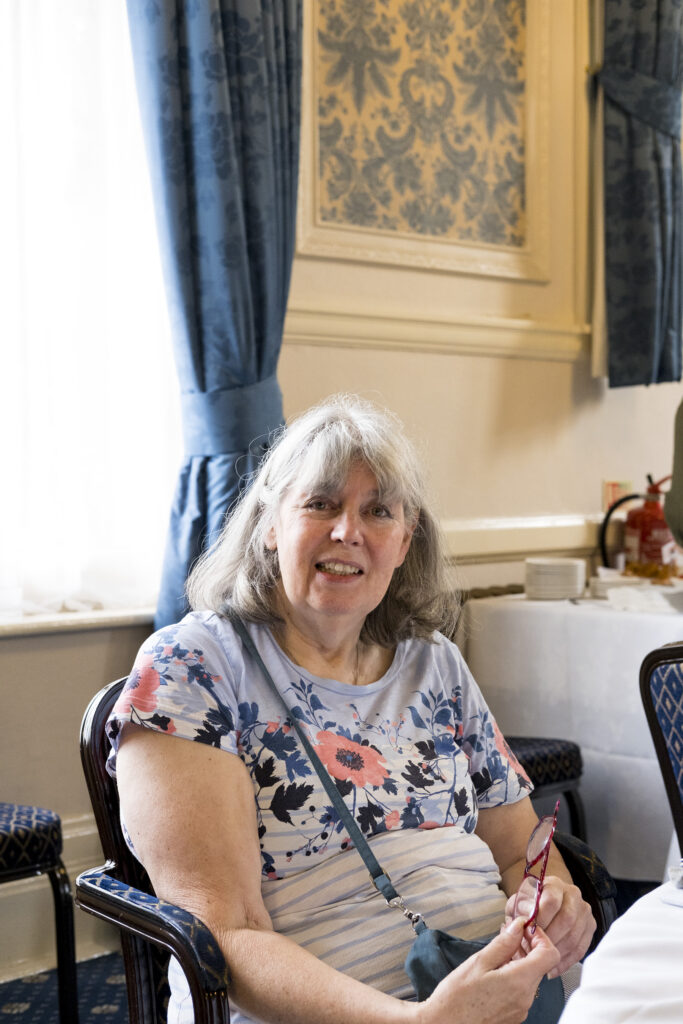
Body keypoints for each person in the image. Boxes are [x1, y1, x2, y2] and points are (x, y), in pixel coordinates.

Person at [107, 394, 595, 1024]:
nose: (348, 531)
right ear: (269, 526)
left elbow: (519, 850)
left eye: (377, 511)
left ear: (404, 539)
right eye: (320, 504)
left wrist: (552, 895)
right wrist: (415, 1022)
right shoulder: (195, 667)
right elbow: (227, 934)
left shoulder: (434, 662)